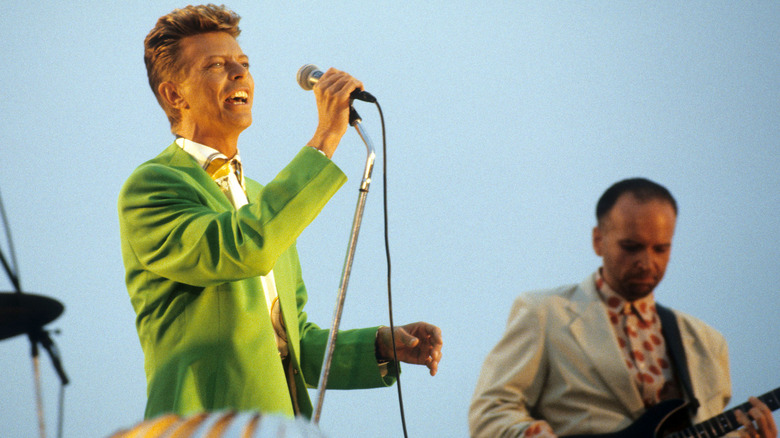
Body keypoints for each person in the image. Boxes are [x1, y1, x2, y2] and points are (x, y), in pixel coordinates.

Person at [118, 4, 442, 421]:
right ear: (174, 95)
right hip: (204, 423)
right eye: (217, 65)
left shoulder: (259, 199)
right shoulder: (154, 186)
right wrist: (326, 136)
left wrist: (379, 345)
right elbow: (243, 248)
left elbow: (294, 343)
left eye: (244, 64)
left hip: (279, 424)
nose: (239, 74)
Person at [469, 178, 776, 438]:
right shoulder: (544, 313)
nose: (647, 262)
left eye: (661, 248)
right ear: (597, 240)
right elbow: (490, 411)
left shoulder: (707, 344)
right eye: (631, 247)